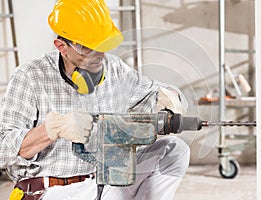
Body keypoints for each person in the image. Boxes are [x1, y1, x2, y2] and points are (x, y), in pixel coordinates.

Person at [0, 0, 190, 199]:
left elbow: (158, 93)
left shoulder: (114, 70)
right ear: (62, 46)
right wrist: (54, 129)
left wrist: (170, 98)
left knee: (173, 151)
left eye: (102, 44)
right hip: (51, 191)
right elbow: (2, 149)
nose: (98, 55)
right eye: (86, 47)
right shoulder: (30, 76)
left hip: (102, 184)